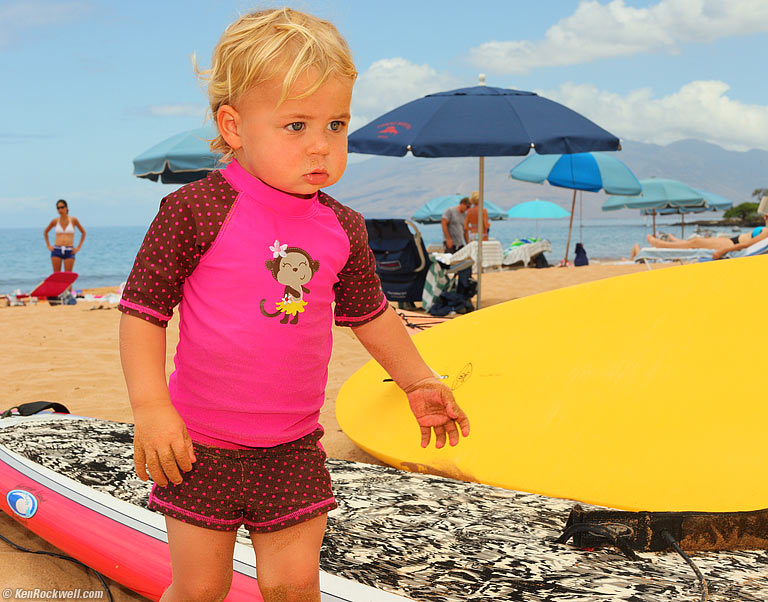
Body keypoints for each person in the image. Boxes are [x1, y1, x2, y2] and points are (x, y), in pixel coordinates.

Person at [117, 9, 470, 602]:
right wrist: (152, 408)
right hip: (199, 446)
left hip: (293, 447)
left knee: (295, 585)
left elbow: (371, 314)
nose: (321, 145)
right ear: (234, 126)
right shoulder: (196, 210)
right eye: (296, 125)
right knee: (201, 588)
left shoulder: (342, 226)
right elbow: (142, 313)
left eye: (336, 124)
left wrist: (417, 380)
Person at [630, 211, 768, 260]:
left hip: (731, 244)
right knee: (696, 241)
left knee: (695, 242)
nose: (765, 216)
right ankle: (675, 242)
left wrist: (723, 251)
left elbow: (746, 244)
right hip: (732, 241)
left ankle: (661, 244)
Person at [43, 199, 86, 273]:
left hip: (69, 251)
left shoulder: (73, 220)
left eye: (62, 207)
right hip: (57, 250)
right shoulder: (55, 221)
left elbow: (83, 232)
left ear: (66, 208)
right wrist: (48, 246)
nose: (60, 210)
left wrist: (78, 247)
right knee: (57, 276)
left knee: (68, 276)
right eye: (58, 208)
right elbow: (45, 232)